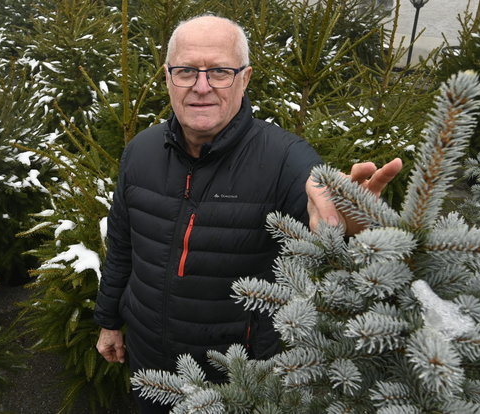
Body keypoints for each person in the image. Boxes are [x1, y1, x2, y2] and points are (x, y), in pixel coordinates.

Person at [93, 15, 402, 413]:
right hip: (150, 367)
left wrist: (348, 231)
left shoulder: (285, 159)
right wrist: (108, 321)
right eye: (187, 71)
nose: (201, 87)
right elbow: (121, 248)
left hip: (239, 382)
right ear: (168, 76)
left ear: (245, 78)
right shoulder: (141, 152)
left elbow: (320, 211)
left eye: (219, 72)